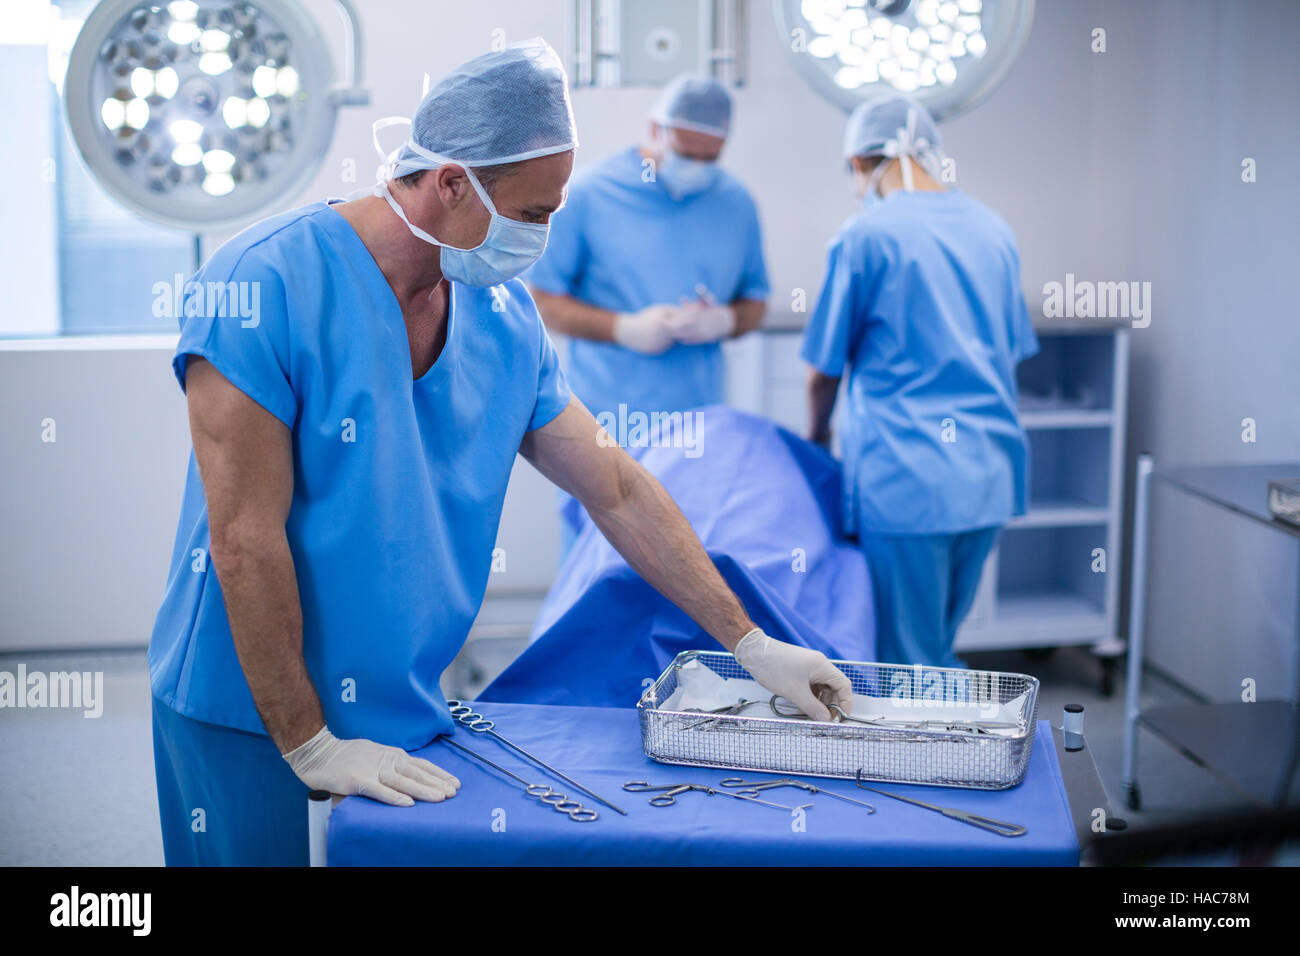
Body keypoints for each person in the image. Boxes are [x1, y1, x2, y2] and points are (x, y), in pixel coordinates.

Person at [148, 39, 850, 866]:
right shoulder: (264, 283)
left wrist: (749, 641)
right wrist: (307, 742)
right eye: (532, 214)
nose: (545, 236)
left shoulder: (503, 319)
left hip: (398, 698)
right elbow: (243, 539)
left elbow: (616, 489)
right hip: (244, 699)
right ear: (452, 183)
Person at [801, 94, 1038, 670]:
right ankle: (961, 748)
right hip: (987, 479)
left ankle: (938, 758)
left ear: (862, 162)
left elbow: (823, 372)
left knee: (909, 667)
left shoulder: (865, 237)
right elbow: (1012, 351)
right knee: (937, 648)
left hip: (909, 485)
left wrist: (816, 442)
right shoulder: (994, 230)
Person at [525, 73, 769, 432]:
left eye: (710, 157)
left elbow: (755, 301)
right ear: (656, 128)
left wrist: (725, 321)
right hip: (605, 419)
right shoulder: (590, 194)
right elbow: (539, 300)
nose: (698, 167)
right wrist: (622, 329)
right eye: (687, 154)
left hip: (699, 422)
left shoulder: (736, 203)